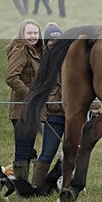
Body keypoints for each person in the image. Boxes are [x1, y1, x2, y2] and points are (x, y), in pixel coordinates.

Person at [5, 19, 44, 182]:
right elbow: (11, 77)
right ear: (22, 34)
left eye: (35, 33)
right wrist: (30, 97)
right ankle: (21, 187)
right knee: (22, 150)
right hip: (22, 110)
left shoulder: (35, 51)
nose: (33, 36)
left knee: (28, 150)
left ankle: (21, 183)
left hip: (32, 111)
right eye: (29, 33)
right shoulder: (21, 50)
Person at [32, 22, 63, 188]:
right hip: (53, 114)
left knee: (74, 152)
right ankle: (36, 185)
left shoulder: (72, 58)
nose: (54, 43)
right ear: (46, 42)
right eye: (51, 40)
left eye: (58, 40)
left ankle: (68, 183)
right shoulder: (41, 62)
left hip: (73, 113)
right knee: (47, 153)